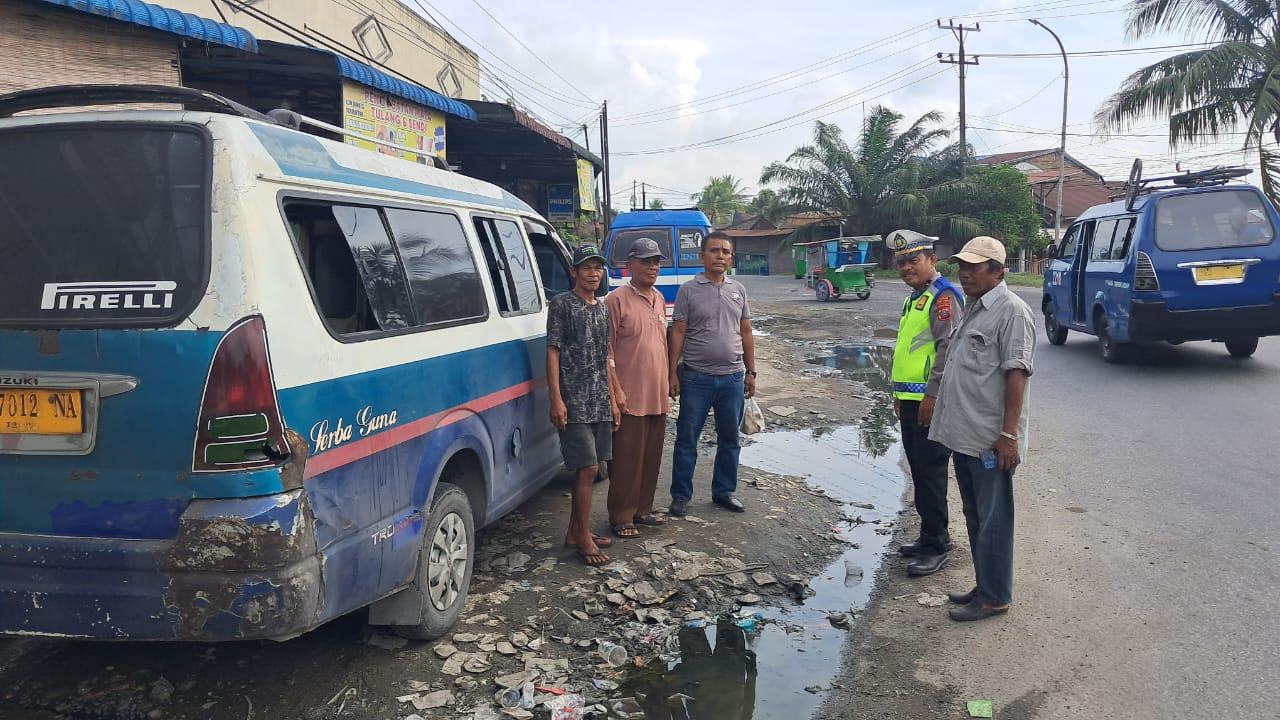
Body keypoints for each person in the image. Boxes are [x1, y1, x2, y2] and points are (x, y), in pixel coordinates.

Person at [929, 236, 1037, 622]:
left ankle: (995, 598)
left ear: (998, 270)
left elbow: (1016, 375)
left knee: (994, 520)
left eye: (974, 267)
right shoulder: (973, 307)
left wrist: (1008, 436)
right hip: (965, 435)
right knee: (975, 515)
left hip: (991, 441)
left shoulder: (1013, 311)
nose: (965, 273)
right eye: (962, 266)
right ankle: (985, 584)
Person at [887, 229, 964, 577]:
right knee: (918, 471)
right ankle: (929, 535)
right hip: (911, 399)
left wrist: (932, 395)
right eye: (901, 262)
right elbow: (910, 352)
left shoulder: (943, 297)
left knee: (931, 474)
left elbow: (948, 351)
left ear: (932, 260)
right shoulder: (916, 297)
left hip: (930, 402)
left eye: (913, 260)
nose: (906, 267)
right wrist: (899, 395)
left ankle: (936, 546)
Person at [668, 230, 756, 516]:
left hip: (732, 378)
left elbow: (745, 331)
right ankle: (681, 496)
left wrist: (751, 372)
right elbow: (678, 332)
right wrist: (672, 372)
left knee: (730, 439)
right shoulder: (688, 290)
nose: (720, 256)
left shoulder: (738, 289)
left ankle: (724, 491)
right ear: (701, 256)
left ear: (731, 258)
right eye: (715, 250)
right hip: (696, 378)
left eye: (726, 252)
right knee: (686, 439)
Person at [547, 245, 621, 566]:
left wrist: (614, 398)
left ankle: (576, 531)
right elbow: (553, 351)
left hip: (599, 399)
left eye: (598, 268)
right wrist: (556, 398)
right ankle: (584, 539)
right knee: (587, 467)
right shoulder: (562, 305)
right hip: (573, 400)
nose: (594, 273)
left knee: (592, 468)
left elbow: (606, 356)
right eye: (587, 268)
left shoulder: (601, 308)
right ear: (574, 272)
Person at [605, 237, 670, 538]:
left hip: (656, 392)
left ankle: (643, 509)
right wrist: (615, 391)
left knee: (651, 455)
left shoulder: (658, 297)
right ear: (629, 265)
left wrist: (670, 379)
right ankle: (622, 516)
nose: (652, 267)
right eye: (645, 261)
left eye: (656, 261)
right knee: (627, 458)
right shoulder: (616, 300)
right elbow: (606, 351)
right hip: (628, 394)